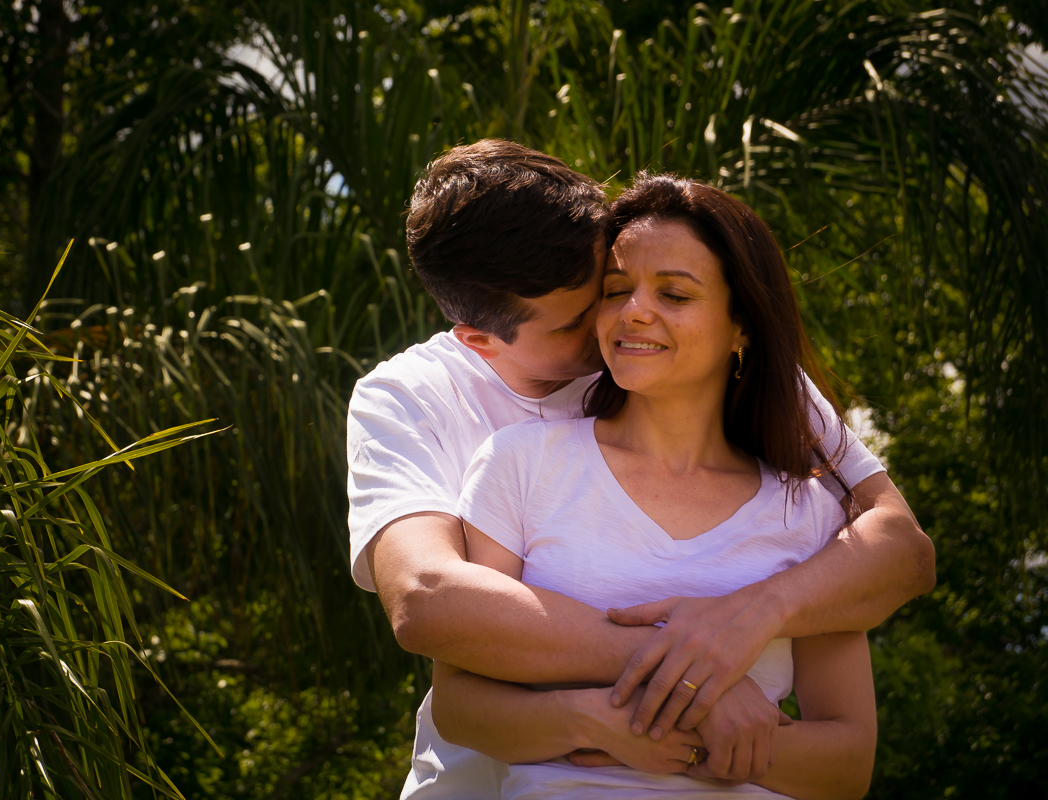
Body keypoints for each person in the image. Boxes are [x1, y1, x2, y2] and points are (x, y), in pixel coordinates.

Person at [346, 140, 934, 799]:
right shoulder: (419, 401)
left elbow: (901, 549)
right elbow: (427, 599)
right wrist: (689, 678)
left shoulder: (770, 425)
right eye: (599, 302)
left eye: (620, 282)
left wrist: (752, 615)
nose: (626, 316)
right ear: (480, 340)